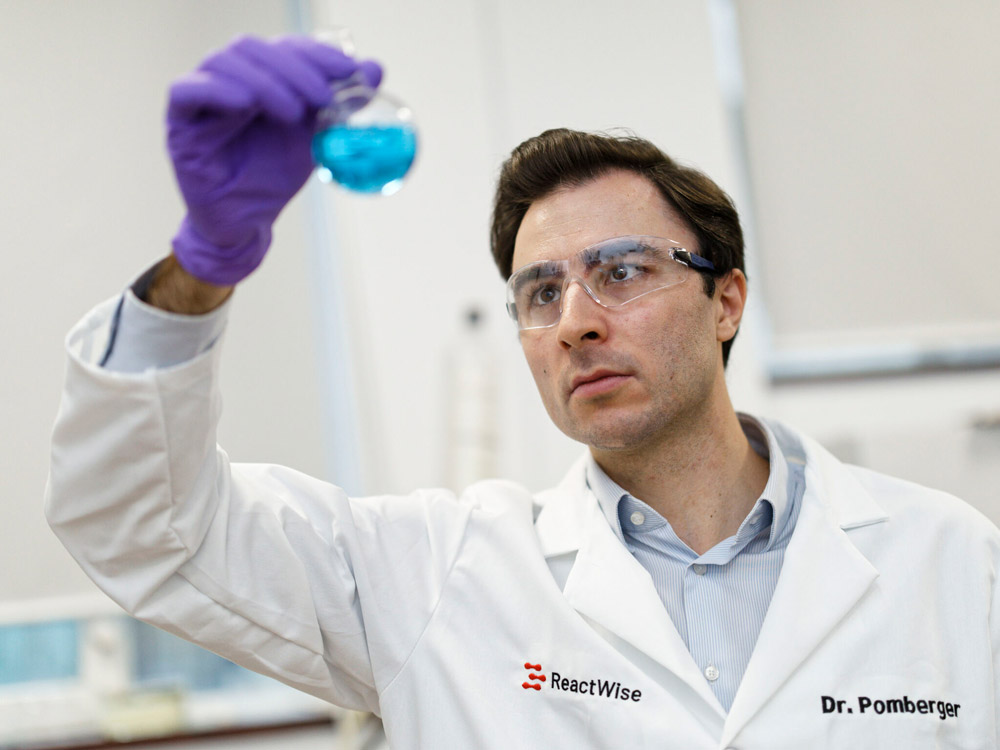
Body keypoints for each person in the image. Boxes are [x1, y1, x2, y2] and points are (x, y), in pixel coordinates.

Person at [46, 35, 1000, 749]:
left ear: (726, 300)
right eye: (541, 293)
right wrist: (202, 268)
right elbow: (147, 528)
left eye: (622, 271)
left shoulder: (949, 561)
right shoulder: (436, 577)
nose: (576, 320)